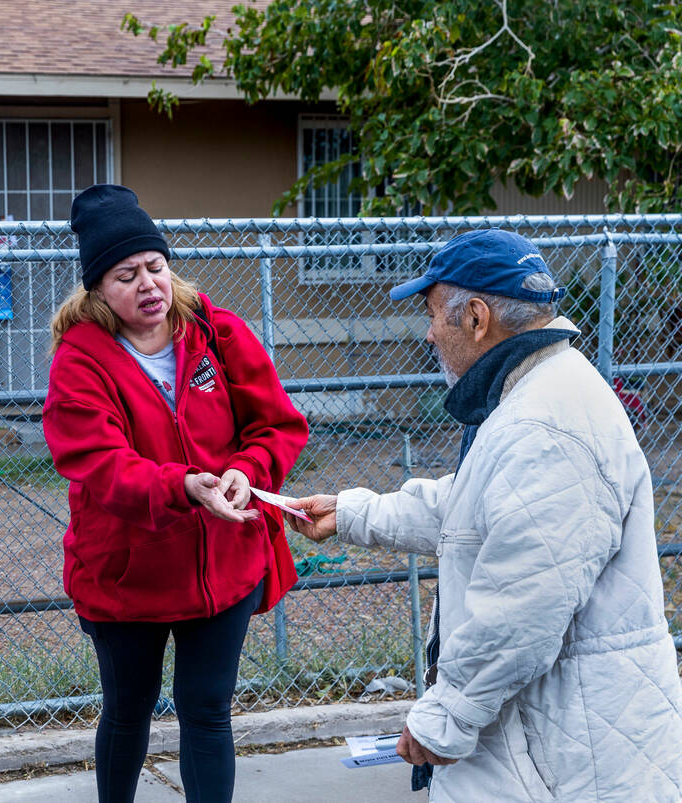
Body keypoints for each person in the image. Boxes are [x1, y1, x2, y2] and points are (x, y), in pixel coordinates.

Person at [286, 229, 682, 801]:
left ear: (475, 318)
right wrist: (351, 512)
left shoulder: (542, 426)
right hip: (557, 739)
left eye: (431, 316)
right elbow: (472, 507)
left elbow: (523, 605)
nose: (428, 335)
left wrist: (444, 718)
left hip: (559, 756)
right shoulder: (542, 393)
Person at [42, 184, 309, 802]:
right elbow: (98, 464)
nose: (148, 284)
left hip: (223, 565)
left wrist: (248, 468)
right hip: (127, 574)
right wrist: (184, 486)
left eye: (156, 267)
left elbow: (278, 425)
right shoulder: (80, 361)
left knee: (208, 711)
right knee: (129, 710)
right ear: (97, 290)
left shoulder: (217, 333)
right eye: (125, 274)